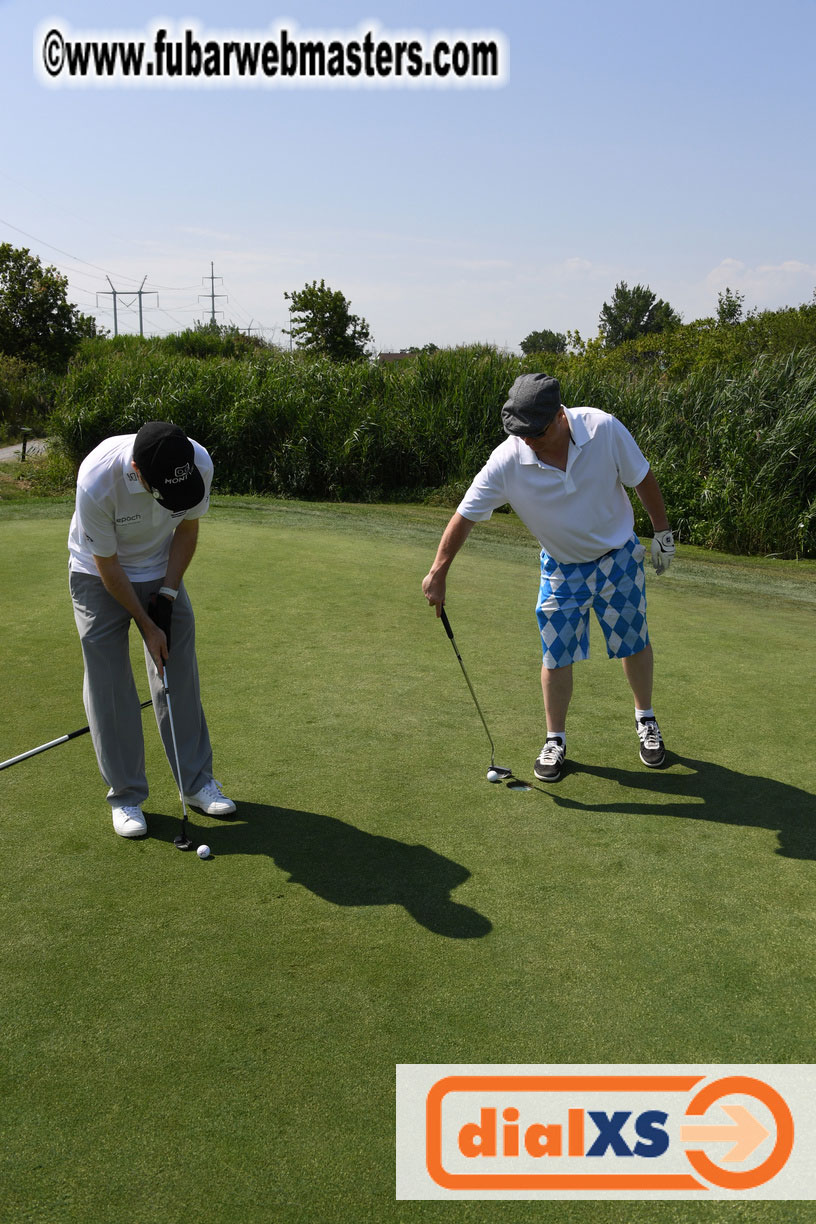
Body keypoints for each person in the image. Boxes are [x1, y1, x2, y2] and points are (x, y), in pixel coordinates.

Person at [421, 373, 676, 782]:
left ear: (560, 416)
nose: (528, 441)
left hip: (618, 558)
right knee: (556, 655)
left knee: (634, 640)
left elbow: (642, 476)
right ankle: (555, 739)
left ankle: (645, 719)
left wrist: (661, 531)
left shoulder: (603, 429)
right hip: (561, 567)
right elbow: (465, 514)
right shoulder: (508, 459)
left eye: (535, 433)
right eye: (520, 433)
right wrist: (438, 570)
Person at [67, 420, 236, 838]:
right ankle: (126, 796)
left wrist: (167, 596)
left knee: (177, 672)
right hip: (97, 572)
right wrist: (146, 624)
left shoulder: (196, 461)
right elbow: (107, 564)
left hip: (161, 569)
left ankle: (196, 784)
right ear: (138, 472)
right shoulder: (97, 480)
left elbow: (187, 527)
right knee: (109, 683)